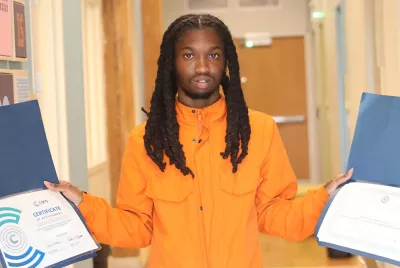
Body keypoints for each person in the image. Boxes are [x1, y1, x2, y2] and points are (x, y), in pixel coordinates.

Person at [44, 14, 353, 268]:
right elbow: (136, 227)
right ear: (171, 62)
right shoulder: (145, 140)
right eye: (189, 55)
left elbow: (276, 216)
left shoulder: (260, 130)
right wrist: (83, 204)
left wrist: (323, 197)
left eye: (213, 55)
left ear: (226, 61)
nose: (203, 66)